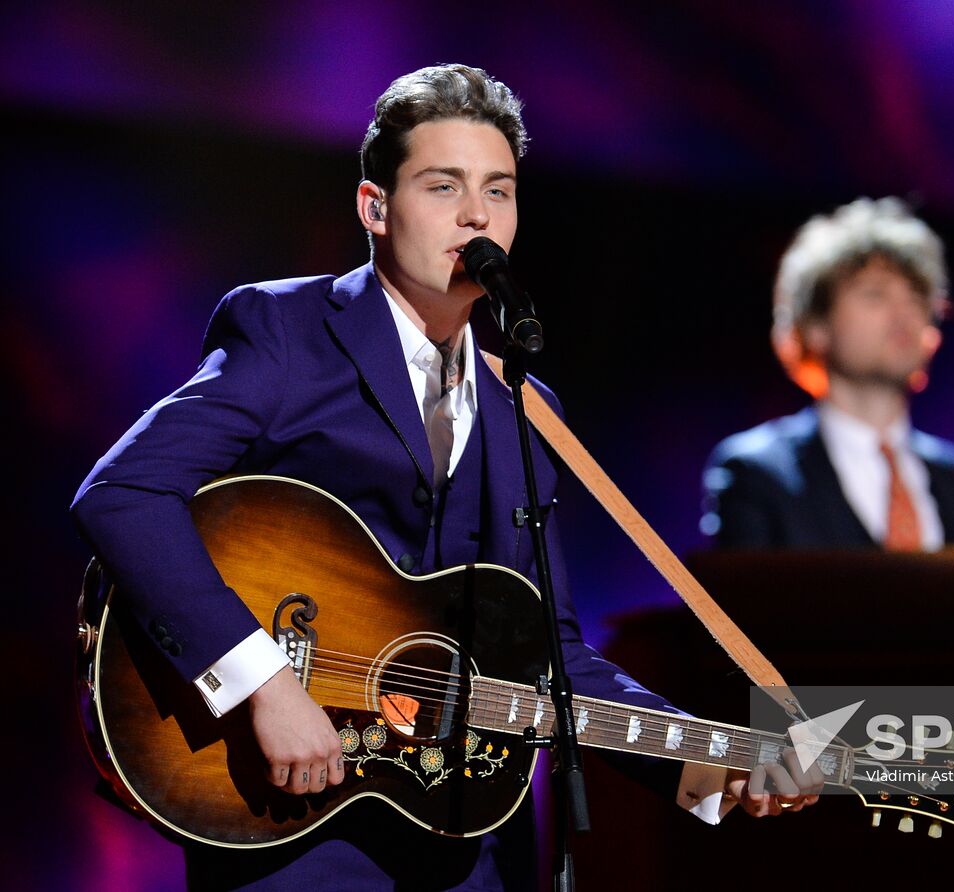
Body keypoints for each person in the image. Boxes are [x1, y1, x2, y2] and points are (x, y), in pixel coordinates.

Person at [72, 64, 817, 891]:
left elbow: (554, 657)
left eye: (499, 191)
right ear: (375, 208)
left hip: (467, 837)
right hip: (292, 820)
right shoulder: (287, 333)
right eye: (443, 185)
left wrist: (710, 763)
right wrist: (264, 682)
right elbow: (126, 493)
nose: (477, 215)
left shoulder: (527, 408)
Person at [702, 197, 954, 550]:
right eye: (875, 295)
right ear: (815, 326)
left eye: (917, 296)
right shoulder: (759, 474)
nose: (903, 313)